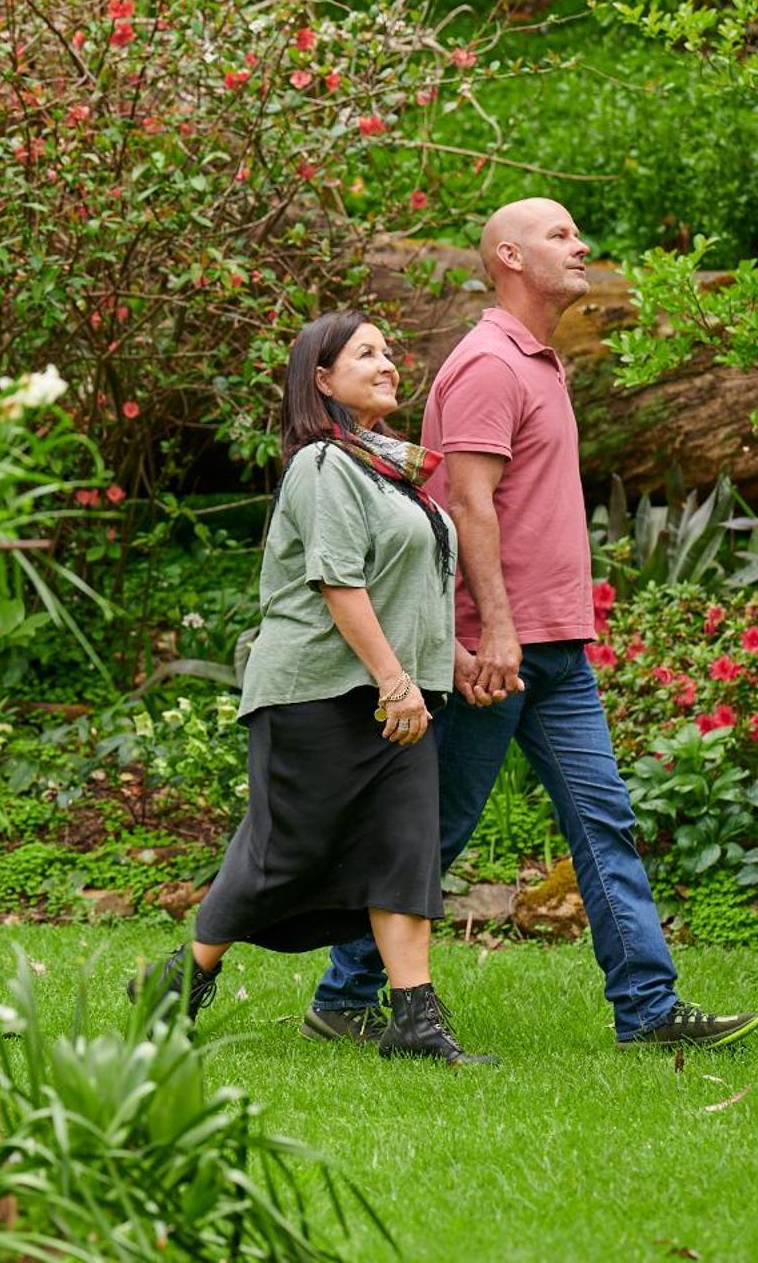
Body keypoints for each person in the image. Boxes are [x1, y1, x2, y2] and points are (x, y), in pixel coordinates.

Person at [302, 199, 758, 1051]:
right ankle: (346, 991)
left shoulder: (543, 362)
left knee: (603, 819)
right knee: (435, 830)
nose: (580, 243)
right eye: (559, 234)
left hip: (556, 649)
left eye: (577, 231)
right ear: (509, 256)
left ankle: (649, 1008)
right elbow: (466, 504)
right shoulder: (485, 363)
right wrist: (491, 636)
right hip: (494, 652)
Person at [129, 310, 495, 1065]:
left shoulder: (389, 469)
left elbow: (402, 589)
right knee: (284, 854)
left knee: (405, 848)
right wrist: (396, 681)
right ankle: (183, 977)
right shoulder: (324, 466)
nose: (389, 363)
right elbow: (339, 581)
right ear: (322, 379)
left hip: (399, 696)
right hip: (318, 693)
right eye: (367, 353)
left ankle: (415, 1021)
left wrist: (449, 659)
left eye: (389, 351)